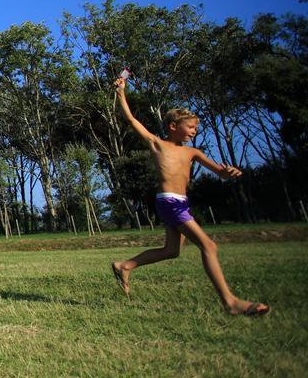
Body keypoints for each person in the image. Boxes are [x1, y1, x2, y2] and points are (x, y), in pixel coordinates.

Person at [110, 77, 269, 316]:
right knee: (209, 245)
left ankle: (125, 265)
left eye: (196, 128)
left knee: (172, 250)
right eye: (191, 127)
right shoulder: (158, 145)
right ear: (174, 126)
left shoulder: (193, 152)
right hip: (169, 202)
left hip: (181, 203)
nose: (194, 131)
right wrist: (121, 92)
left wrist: (228, 172)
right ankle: (230, 303)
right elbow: (131, 119)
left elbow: (219, 171)